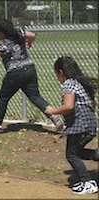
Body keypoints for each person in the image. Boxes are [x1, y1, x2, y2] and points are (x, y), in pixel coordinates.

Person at [0, 19, 63, 133]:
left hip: (15, 72)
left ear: (1, 33)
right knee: (35, 97)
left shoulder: (2, 43)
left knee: (4, 97)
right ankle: (53, 115)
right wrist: (29, 43)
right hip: (30, 68)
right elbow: (32, 35)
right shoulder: (19, 33)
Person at [45, 56, 98, 194]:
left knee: (71, 155)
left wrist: (53, 111)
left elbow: (68, 106)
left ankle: (88, 182)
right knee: (78, 152)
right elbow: (93, 104)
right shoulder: (81, 83)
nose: (57, 78)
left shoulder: (69, 83)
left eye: (56, 74)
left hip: (80, 124)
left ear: (61, 72)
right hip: (90, 122)